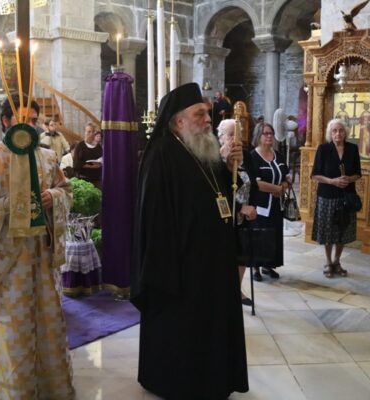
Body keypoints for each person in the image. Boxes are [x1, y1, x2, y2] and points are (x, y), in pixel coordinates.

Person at [0, 95, 75, 399]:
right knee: (11, 334)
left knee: (47, 327)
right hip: (5, 269)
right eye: (23, 120)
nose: (30, 126)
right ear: (6, 121)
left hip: (42, 262)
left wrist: (55, 197)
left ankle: (50, 390)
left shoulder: (48, 158)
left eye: (34, 120)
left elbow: (66, 190)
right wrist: (6, 206)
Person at [132, 82, 249, 399]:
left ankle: (214, 378)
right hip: (180, 266)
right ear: (178, 120)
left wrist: (229, 167)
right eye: (200, 114)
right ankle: (180, 383)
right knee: (184, 329)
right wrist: (166, 267)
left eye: (207, 113)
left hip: (213, 260)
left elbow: (219, 194)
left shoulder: (201, 148)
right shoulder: (161, 155)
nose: (208, 119)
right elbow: (154, 219)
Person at [311, 118, 362, 278]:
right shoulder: (323, 149)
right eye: (334, 131)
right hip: (327, 196)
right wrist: (332, 181)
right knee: (328, 231)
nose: (338, 133)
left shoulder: (352, 149)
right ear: (330, 133)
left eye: (340, 130)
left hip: (346, 196)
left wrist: (349, 179)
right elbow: (315, 175)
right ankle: (328, 262)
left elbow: (358, 173)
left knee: (342, 230)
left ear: (345, 132)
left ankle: (337, 261)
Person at [218, 119, 258, 306]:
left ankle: (237, 290)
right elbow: (218, 190)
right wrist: (240, 207)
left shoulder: (247, 156)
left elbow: (254, 184)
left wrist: (253, 206)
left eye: (238, 134)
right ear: (220, 138)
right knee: (225, 255)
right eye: (230, 135)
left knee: (242, 254)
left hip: (245, 216)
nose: (235, 139)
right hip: (225, 216)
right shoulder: (216, 159)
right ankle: (223, 291)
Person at [249, 122, 290, 281]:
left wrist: (283, 186)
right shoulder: (252, 157)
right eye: (265, 133)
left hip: (277, 205)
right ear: (258, 136)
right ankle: (255, 268)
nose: (269, 136)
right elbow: (256, 183)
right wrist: (276, 189)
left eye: (271, 133)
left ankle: (268, 265)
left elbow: (287, 177)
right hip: (260, 205)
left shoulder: (278, 155)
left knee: (273, 235)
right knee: (259, 235)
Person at [73, 122, 102, 188]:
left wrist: (100, 163)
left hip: (97, 179)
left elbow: (102, 159)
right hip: (83, 180)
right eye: (88, 132)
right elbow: (76, 164)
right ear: (85, 132)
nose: (91, 134)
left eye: (92, 132)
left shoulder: (98, 147)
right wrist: (92, 166)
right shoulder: (80, 146)